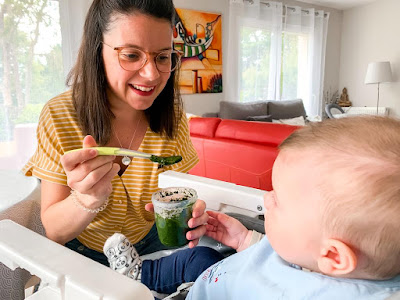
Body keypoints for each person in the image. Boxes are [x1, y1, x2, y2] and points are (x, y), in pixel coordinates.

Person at [106, 116, 400, 299]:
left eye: (279, 199)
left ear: (333, 255)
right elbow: (290, 259)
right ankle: (142, 274)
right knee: (199, 257)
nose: (267, 199)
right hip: (219, 275)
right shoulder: (314, 250)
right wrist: (246, 241)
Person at [22, 0, 212, 277]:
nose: (151, 75)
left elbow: (180, 196)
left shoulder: (173, 116)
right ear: (97, 50)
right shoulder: (60, 115)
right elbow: (54, 231)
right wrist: (86, 199)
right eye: (132, 55)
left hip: (151, 245)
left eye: (162, 57)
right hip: (83, 252)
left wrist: (192, 216)